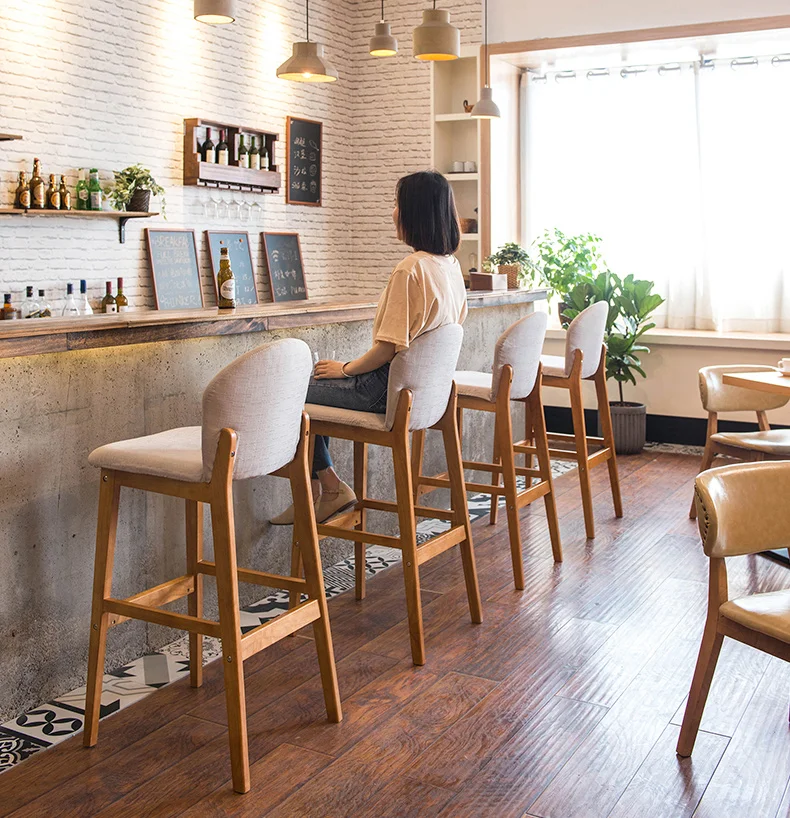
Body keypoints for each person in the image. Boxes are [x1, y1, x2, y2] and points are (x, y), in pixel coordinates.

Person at [271, 170, 468, 525]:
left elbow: (387, 351)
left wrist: (345, 369)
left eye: (396, 204)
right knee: (312, 391)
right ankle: (324, 488)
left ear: (414, 212)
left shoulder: (410, 270)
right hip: (415, 394)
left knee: (292, 391)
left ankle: (325, 489)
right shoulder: (450, 268)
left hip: (380, 390)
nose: (392, 212)